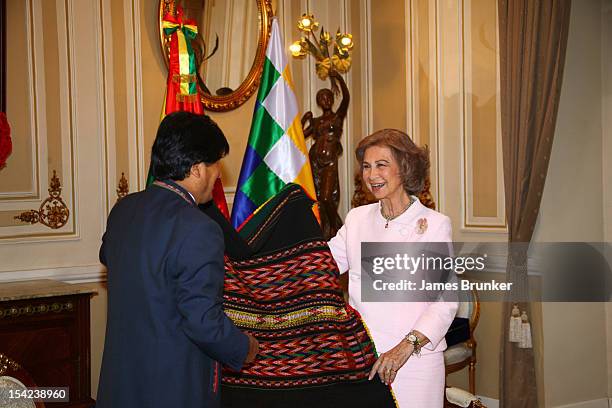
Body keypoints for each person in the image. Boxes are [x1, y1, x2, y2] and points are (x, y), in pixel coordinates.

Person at [97, 111, 259, 408]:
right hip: (174, 388)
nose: (218, 176)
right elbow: (202, 322)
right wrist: (244, 347)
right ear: (197, 169)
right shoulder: (199, 228)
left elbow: (108, 256)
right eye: (215, 165)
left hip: (121, 383)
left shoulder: (123, 210)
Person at [328, 129, 458, 407]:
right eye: (366, 166)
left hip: (414, 362)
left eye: (381, 165)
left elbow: (444, 302)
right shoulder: (357, 218)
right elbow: (322, 265)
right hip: (362, 359)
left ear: (405, 168)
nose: (372, 174)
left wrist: (404, 348)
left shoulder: (434, 224)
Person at [301, 70, 350, 240]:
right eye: (322, 98)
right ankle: (325, 232)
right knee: (318, 200)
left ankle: (338, 229)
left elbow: (346, 99)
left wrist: (338, 78)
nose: (326, 100)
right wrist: (305, 119)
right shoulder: (316, 122)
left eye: (328, 97)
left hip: (329, 161)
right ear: (319, 102)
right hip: (314, 160)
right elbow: (299, 137)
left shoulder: (337, 117)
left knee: (327, 198)